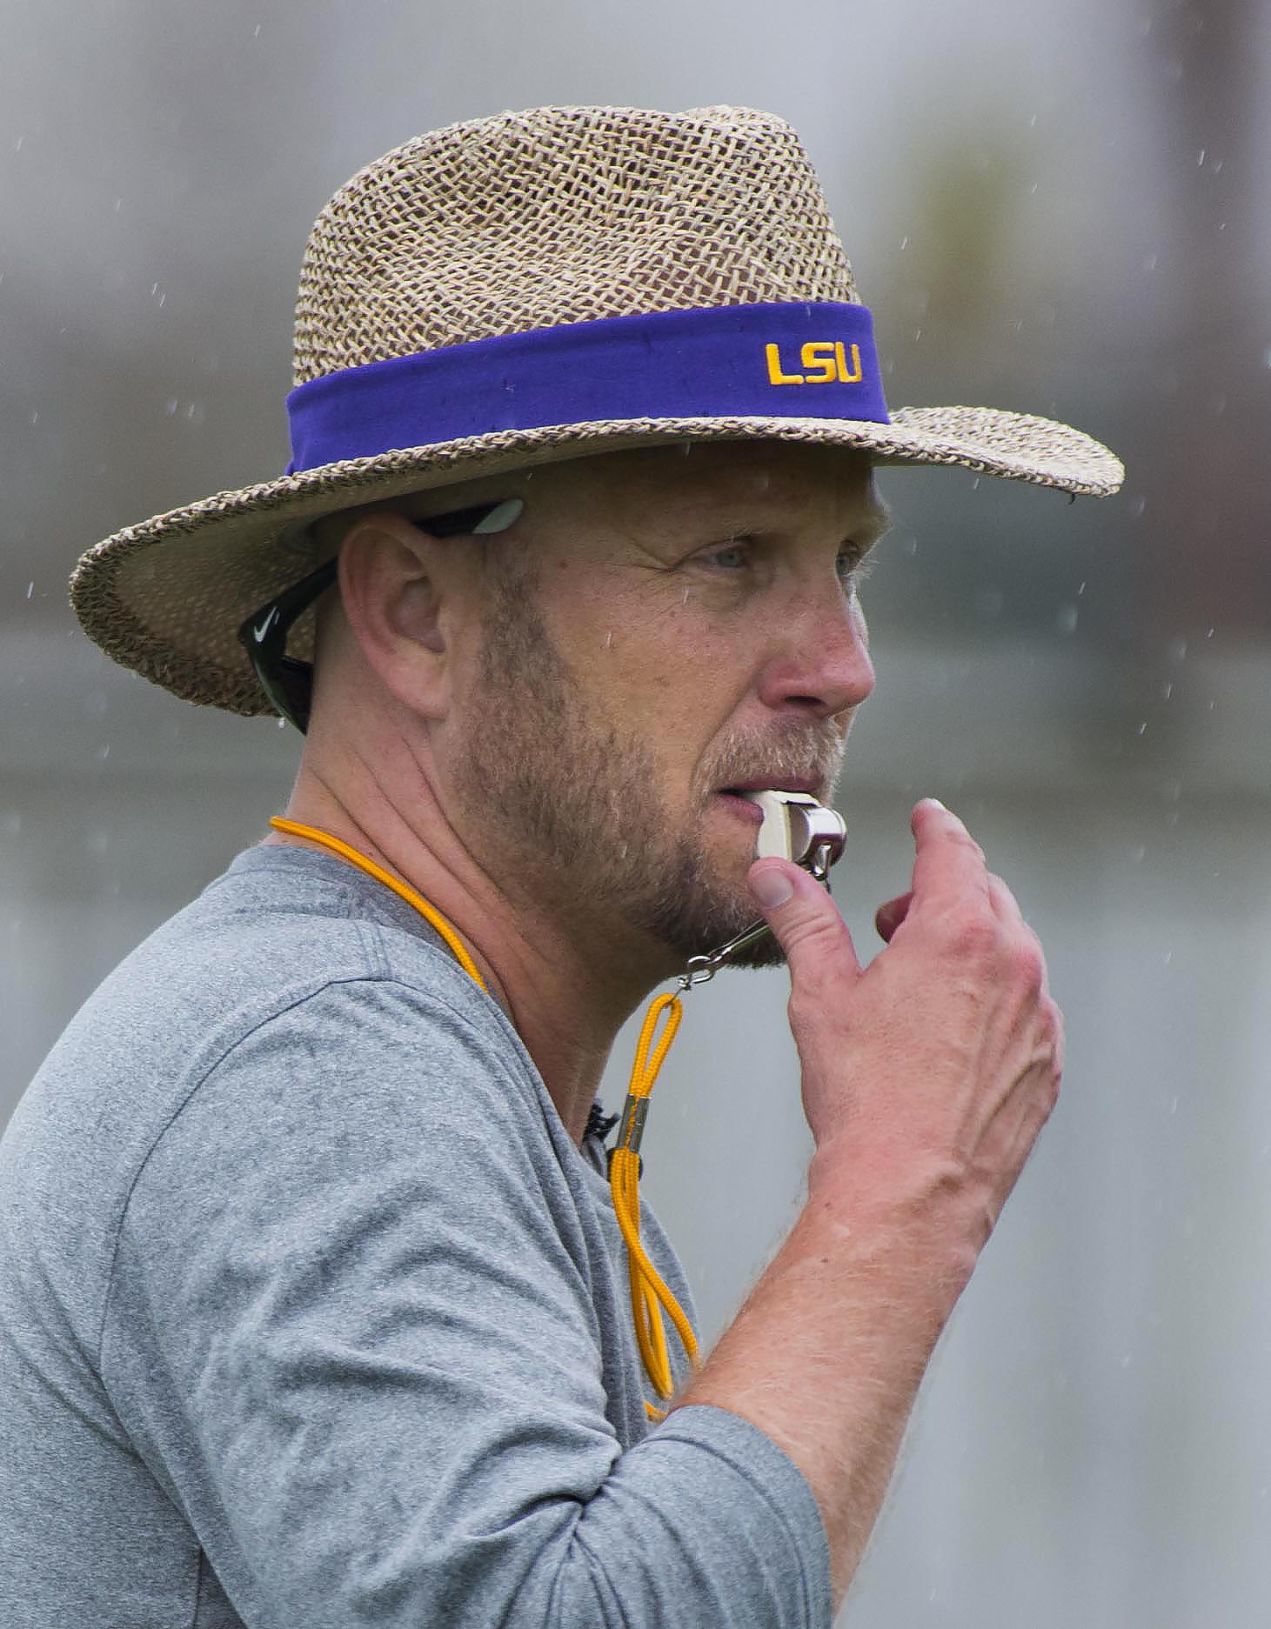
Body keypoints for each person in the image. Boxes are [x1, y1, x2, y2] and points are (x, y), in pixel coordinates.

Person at [0, 105, 1121, 1627]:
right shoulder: (318, 1065)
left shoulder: (428, 1055)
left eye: (842, 565)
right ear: (411, 612)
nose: (843, 668)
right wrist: (901, 1191)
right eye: (727, 556)